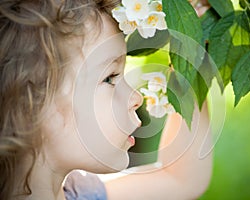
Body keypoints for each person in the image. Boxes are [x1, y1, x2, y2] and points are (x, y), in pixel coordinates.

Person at [0, 0, 212, 199]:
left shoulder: (82, 193)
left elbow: (181, 179)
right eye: (110, 78)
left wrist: (191, 47)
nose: (136, 97)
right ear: (31, 104)